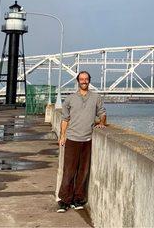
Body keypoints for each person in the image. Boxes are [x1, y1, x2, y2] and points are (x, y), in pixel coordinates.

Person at [57, 70, 106, 212]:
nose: (84, 81)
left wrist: (102, 122)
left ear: (89, 81)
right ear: (78, 81)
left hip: (87, 139)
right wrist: (62, 136)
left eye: (86, 79)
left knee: (83, 171)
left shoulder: (96, 97)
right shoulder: (70, 99)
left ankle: (78, 199)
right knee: (69, 171)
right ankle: (64, 200)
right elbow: (65, 119)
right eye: (81, 79)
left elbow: (102, 112)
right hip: (72, 139)